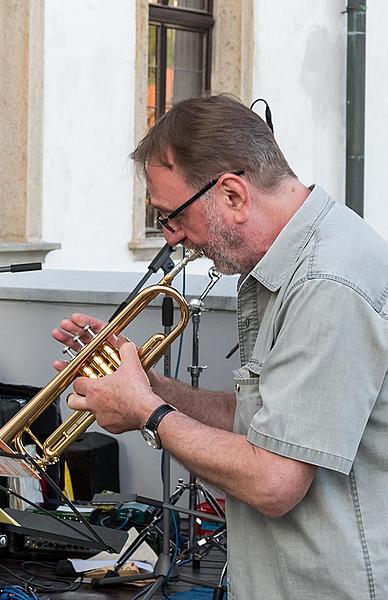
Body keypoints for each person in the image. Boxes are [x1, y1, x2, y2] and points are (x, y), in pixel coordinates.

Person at [55, 94, 388, 599]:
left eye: (172, 217)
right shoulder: (290, 262)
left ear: (232, 194)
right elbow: (263, 422)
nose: (172, 239)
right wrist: (148, 386)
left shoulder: (326, 282)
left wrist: (146, 412)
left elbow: (275, 481)